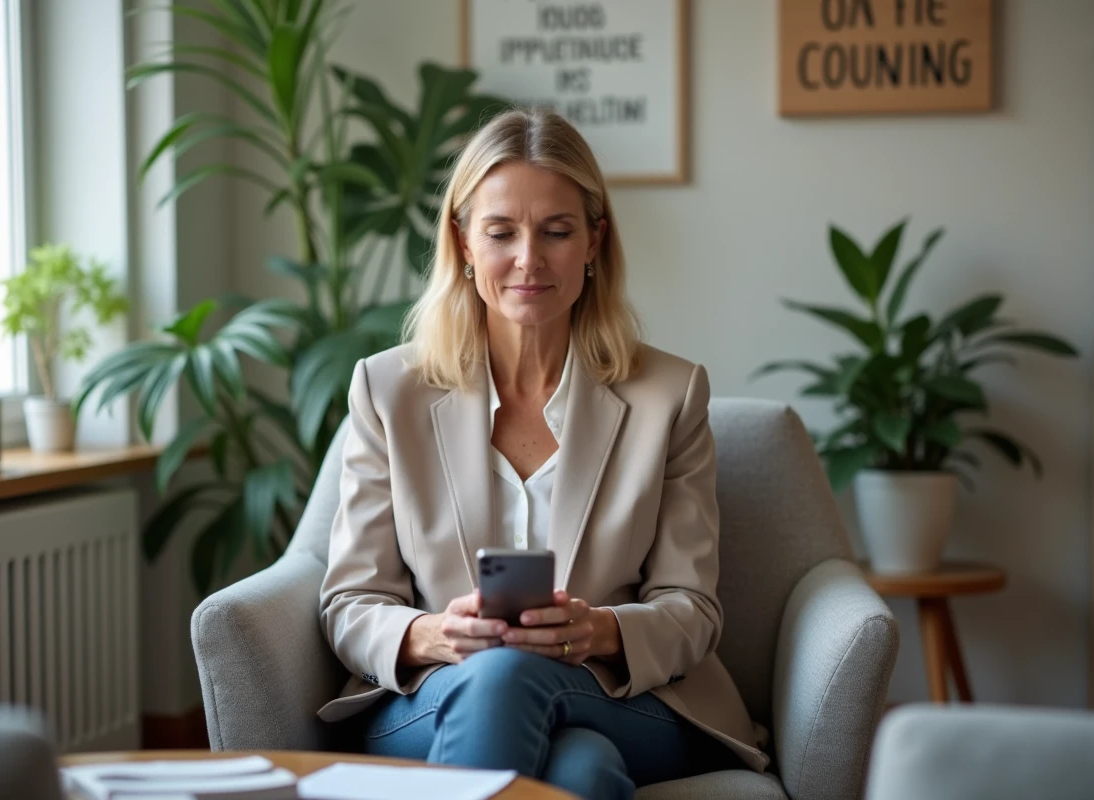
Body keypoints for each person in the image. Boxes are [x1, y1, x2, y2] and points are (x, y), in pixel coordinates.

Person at [318, 107, 768, 800]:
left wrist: (599, 631)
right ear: (463, 243)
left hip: (619, 696)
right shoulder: (388, 390)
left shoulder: (671, 394)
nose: (529, 259)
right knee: (580, 767)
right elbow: (350, 602)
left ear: (594, 242)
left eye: (557, 232)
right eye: (501, 232)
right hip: (435, 693)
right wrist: (436, 635)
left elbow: (692, 609)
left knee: (516, 686)